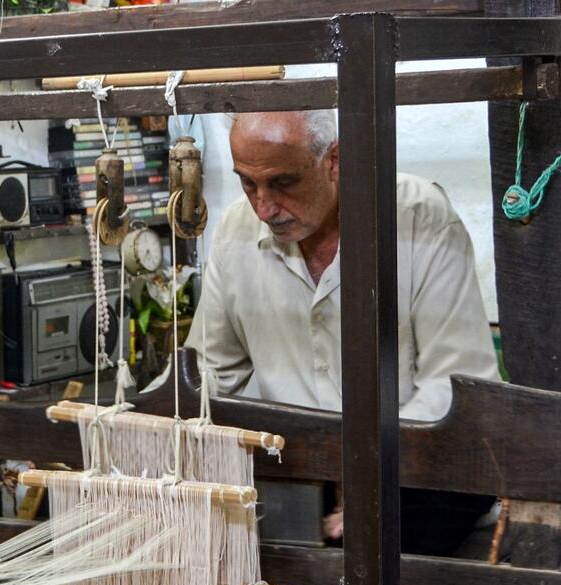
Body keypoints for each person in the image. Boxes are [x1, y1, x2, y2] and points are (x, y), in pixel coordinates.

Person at [185, 111, 501, 555]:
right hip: (301, 473)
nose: (263, 207)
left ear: (335, 161)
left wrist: (371, 469)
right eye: (247, 183)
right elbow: (210, 379)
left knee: (379, 545)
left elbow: (456, 385)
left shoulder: (417, 219)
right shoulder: (235, 233)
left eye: (282, 182)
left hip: (415, 469)